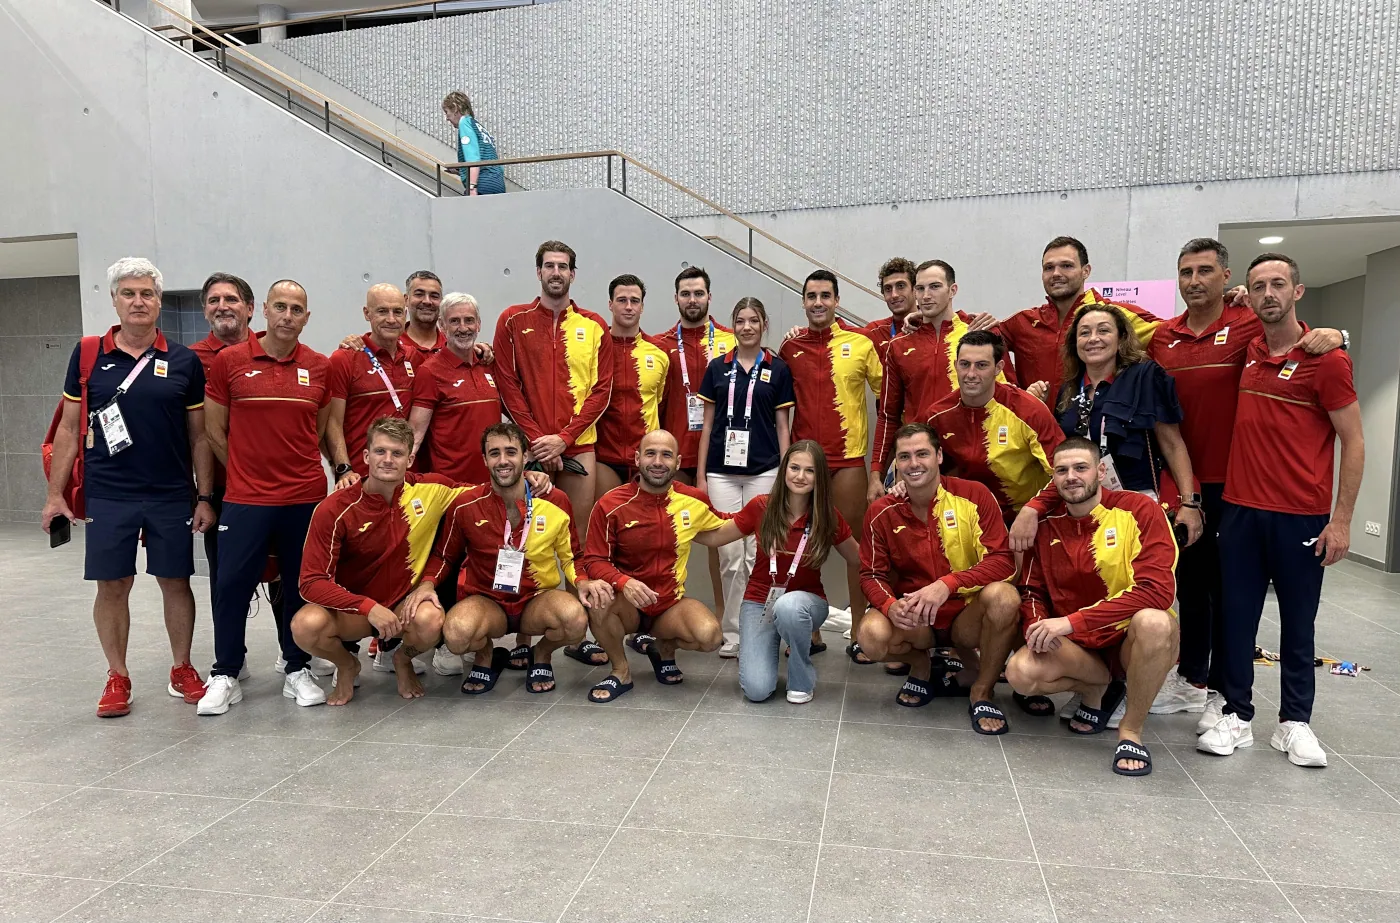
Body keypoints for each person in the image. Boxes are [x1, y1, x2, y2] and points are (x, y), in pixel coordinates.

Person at [1148, 239, 1343, 719]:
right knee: (1191, 585)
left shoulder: (1247, 323)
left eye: (1205, 271)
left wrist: (1338, 334)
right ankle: (1194, 678)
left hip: (1237, 483)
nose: (1194, 281)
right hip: (1183, 480)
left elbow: (1296, 336)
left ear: (1224, 276)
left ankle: (1223, 692)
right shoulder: (1160, 336)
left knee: (1230, 593)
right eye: (1186, 272)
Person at [1197, 253, 1363, 767]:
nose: (1269, 294)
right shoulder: (1247, 350)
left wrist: (1341, 520)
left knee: (1299, 623)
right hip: (1241, 512)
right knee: (1237, 617)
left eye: (1278, 284)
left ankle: (1294, 723)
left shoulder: (1328, 360)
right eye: (1259, 286)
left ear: (1298, 290)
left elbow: (1353, 442)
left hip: (1301, 516)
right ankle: (1238, 715)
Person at [41, 258, 214, 717]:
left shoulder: (183, 361)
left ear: (159, 301)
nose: (139, 302)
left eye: (148, 294)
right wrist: (55, 494)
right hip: (109, 492)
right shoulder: (87, 353)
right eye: (129, 294)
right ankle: (117, 675)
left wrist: (203, 495)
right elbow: (67, 429)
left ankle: (182, 668)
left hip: (170, 493)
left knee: (175, 580)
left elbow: (199, 436)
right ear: (115, 300)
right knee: (113, 584)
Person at [1006, 437, 1180, 775]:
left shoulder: (1139, 510)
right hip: (1078, 647)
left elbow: (1157, 592)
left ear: (1100, 471)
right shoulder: (1043, 523)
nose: (1071, 476)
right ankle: (1098, 686)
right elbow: (1031, 590)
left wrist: (1070, 622)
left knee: (1156, 622)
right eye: (1062, 470)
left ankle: (1131, 731)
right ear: (1053, 480)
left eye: (1081, 468)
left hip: (1129, 640)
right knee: (1019, 673)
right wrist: (1038, 626)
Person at [197, 280, 331, 715]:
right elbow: (214, 431)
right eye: (281, 307)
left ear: (306, 317)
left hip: (304, 497)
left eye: (297, 309)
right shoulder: (230, 362)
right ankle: (225, 673)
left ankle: (296, 667)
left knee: (298, 586)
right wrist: (243, 471)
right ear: (265, 312)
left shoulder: (320, 365)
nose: (288, 315)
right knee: (232, 585)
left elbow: (320, 428)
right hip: (245, 498)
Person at [858, 424, 1023, 733]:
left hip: (967, 615)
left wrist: (947, 584)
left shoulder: (974, 495)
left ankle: (982, 692)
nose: (914, 463)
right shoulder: (881, 511)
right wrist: (888, 604)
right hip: (916, 619)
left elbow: (1003, 562)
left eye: (922, 454)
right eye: (904, 457)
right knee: (869, 636)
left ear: (939, 456)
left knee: (1005, 597)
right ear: (897, 464)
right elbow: (871, 574)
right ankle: (921, 664)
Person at [291, 418, 464, 705]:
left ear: (409, 459)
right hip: (355, 611)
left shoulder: (433, 489)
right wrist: (367, 608)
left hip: (401, 607)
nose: (388, 460)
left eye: (397, 454)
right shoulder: (333, 508)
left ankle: (402, 660)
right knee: (305, 626)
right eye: (380, 452)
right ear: (366, 456)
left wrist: (532, 480)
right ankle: (347, 665)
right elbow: (310, 583)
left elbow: (485, 494)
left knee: (431, 620)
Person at [1009, 303, 1204, 549]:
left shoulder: (1145, 377)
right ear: (1074, 342)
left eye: (1103, 331)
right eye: (1084, 333)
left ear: (1121, 338)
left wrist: (1189, 503)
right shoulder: (1068, 390)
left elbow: (1173, 444)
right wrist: (1034, 406)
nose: (1093, 339)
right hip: (1086, 506)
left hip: (1141, 502)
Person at [423, 423, 588, 696]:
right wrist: (427, 585)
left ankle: (542, 654)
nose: (503, 461)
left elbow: (573, 557)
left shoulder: (555, 499)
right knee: (455, 635)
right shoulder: (465, 504)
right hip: (487, 601)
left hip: (537, 599)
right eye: (494, 453)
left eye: (511, 452)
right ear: (484, 459)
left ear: (525, 457)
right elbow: (444, 556)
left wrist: (582, 582)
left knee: (575, 621)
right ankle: (486, 654)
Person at [698, 442, 861, 703]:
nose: (800, 476)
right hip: (759, 601)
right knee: (757, 690)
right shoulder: (761, 507)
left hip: (807, 603)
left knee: (789, 606)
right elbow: (717, 536)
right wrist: (675, 525)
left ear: (819, 476)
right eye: (795, 468)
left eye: (809, 471)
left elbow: (858, 558)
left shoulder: (827, 515)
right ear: (784, 470)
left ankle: (801, 677)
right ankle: (767, 653)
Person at [576, 430, 729, 703]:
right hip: (626, 604)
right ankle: (620, 670)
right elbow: (594, 560)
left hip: (668, 605)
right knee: (598, 599)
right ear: (637, 459)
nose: (658, 461)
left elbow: (725, 524)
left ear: (678, 463)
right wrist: (624, 583)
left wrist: (766, 510)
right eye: (650, 453)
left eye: (666, 455)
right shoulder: (610, 503)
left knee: (710, 637)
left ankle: (663, 648)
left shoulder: (693, 499)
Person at [780, 270, 883, 665]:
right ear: (803, 302)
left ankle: (859, 630)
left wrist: (880, 463)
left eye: (825, 295)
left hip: (848, 463)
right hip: (804, 465)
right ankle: (808, 630)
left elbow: (888, 401)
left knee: (856, 550)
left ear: (837, 300)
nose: (818, 302)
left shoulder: (860, 344)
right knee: (802, 548)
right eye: (811, 296)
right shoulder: (790, 348)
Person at [697, 297, 795, 655]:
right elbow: (707, 426)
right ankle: (735, 632)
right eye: (741, 320)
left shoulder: (779, 369)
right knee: (729, 556)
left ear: (764, 324)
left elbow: (783, 426)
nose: (747, 327)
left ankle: (763, 628)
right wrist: (701, 476)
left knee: (760, 552)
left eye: (754, 320)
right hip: (721, 473)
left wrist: (785, 474)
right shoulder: (716, 368)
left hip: (765, 471)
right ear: (732, 325)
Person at [871, 259, 1010, 497]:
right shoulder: (898, 346)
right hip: (919, 461)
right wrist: (875, 472)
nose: (926, 295)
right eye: (920, 288)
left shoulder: (979, 335)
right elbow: (887, 415)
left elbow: (1008, 397)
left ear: (952, 290)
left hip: (974, 458)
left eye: (935, 287)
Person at [653, 266, 735, 659]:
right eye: (685, 293)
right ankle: (660, 618)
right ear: (675, 299)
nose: (692, 300)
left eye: (698, 293)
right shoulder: (659, 346)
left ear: (709, 297)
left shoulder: (732, 343)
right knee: (664, 537)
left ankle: (724, 616)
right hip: (672, 460)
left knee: (721, 543)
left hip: (721, 458)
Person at [926, 330, 1063, 525]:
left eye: (981, 365)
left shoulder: (1028, 411)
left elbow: (1064, 470)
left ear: (998, 368)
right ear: (955, 365)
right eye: (965, 364)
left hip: (1028, 517)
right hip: (970, 519)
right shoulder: (938, 416)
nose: (971, 374)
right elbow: (928, 469)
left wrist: (1034, 509)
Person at [998, 237, 1160, 402]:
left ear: (1086, 271)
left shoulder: (1114, 314)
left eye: (1066, 266)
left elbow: (1172, 337)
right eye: (1048, 268)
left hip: (1095, 424)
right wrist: (1013, 395)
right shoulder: (1024, 322)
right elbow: (983, 338)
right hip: (1036, 426)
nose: (1056, 274)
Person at [326, 283, 426, 488]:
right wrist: (343, 469)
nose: (391, 319)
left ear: (405, 314)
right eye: (382, 311)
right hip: (360, 478)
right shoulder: (344, 359)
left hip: (405, 478)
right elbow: (333, 422)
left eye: (397, 312)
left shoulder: (414, 358)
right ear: (367, 313)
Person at [410, 292, 503, 488]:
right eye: (454, 321)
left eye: (469, 320)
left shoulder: (489, 364)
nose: (463, 328)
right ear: (442, 327)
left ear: (478, 324)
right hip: (452, 490)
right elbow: (415, 436)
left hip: (495, 485)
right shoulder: (429, 371)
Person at [595, 274, 669, 495]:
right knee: (605, 522)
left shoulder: (659, 352)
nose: (628, 307)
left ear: (642, 307)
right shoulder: (595, 349)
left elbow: (659, 403)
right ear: (610, 304)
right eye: (622, 300)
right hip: (603, 457)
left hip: (646, 458)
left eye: (634, 301)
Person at [442, 90, 505, 196]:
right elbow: (485, 157)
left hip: (482, 184)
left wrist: (472, 187)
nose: (447, 118)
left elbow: (473, 159)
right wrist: (460, 170)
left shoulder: (464, 123)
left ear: (455, 109)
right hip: (497, 183)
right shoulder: (477, 126)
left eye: (447, 112)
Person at [859, 257, 919, 365]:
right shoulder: (875, 332)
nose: (894, 295)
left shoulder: (933, 324)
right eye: (888, 289)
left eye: (901, 286)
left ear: (915, 289)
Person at [403, 270, 447, 353]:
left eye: (434, 296)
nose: (427, 301)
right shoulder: (392, 345)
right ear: (406, 300)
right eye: (419, 294)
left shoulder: (453, 347)